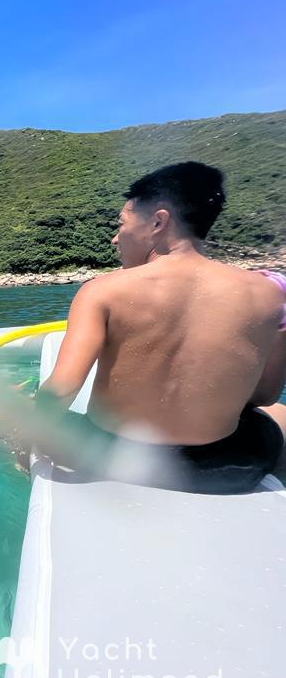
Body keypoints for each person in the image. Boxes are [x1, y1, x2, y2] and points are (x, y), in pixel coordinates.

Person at [38, 162, 286, 492]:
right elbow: (264, 395)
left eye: (121, 224)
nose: (115, 238)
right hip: (227, 467)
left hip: (115, 461)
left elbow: (62, 389)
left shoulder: (102, 290)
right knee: (277, 417)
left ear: (158, 221)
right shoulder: (270, 293)